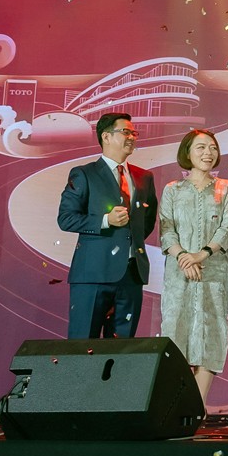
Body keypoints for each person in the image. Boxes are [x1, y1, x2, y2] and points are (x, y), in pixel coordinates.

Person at [55, 111, 157, 339]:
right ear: (106, 136)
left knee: (121, 349)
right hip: (92, 274)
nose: (131, 137)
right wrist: (104, 221)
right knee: (82, 345)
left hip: (131, 275)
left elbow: (146, 222)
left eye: (134, 134)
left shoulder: (144, 177)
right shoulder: (84, 174)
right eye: (125, 132)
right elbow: (66, 218)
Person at [157, 128, 228, 402]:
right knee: (176, 331)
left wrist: (200, 255)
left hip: (213, 272)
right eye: (201, 147)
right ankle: (178, 406)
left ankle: (198, 407)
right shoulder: (172, 189)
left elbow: (227, 229)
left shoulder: (226, 188)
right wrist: (183, 257)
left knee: (210, 334)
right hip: (179, 273)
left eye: (212, 147)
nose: (208, 153)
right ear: (187, 153)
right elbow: (166, 229)